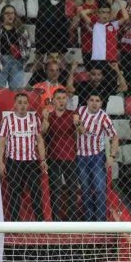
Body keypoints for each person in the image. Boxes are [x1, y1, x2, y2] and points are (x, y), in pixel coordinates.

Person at [0, 93, 47, 222]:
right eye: (19, 102)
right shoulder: (8, 120)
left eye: (25, 102)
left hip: (31, 161)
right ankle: (14, 224)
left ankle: (40, 224)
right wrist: (0, 162)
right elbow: (2, 141)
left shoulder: (34, 119)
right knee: (14, 194)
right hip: (14, 161)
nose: (22, 105)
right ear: (14, 104)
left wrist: (42, 160)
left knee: (36, 193)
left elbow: (40, 140)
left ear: (28, 104)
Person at [76, 93, 118, 222]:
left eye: (98, 101)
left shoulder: (104, 117)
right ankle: (89, 220)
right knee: (85, 190)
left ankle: (101, 221)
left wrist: (111, 156)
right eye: (92, 100)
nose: (94, 103)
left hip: (96, 157)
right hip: (80, 156)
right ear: (87, 101)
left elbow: (115, 137)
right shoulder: (80, 110)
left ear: (101, 103)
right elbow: (76, 120)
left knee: (100, 189)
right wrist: (78, 124)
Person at [41, 90, 79, 221]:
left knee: (72, 191)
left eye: (64, 98)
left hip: (70, 157)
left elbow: (82, 131)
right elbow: (42, 132)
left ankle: (72, 221)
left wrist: (78, 123)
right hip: (54, 157)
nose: (61, 101)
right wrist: (45, 119)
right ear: (53, 100)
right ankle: (56, 221)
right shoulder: (49, 116)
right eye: (58, 98)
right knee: (55, 191)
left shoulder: (73, 115)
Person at [0, 4, 32, 90]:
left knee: (16, 92)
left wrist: (23, 59)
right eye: (7, 13)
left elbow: (27, 46)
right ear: (2, 15)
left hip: (17, 62)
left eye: (12, 13)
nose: (10, 15)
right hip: (0, 61)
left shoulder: (21, 29)